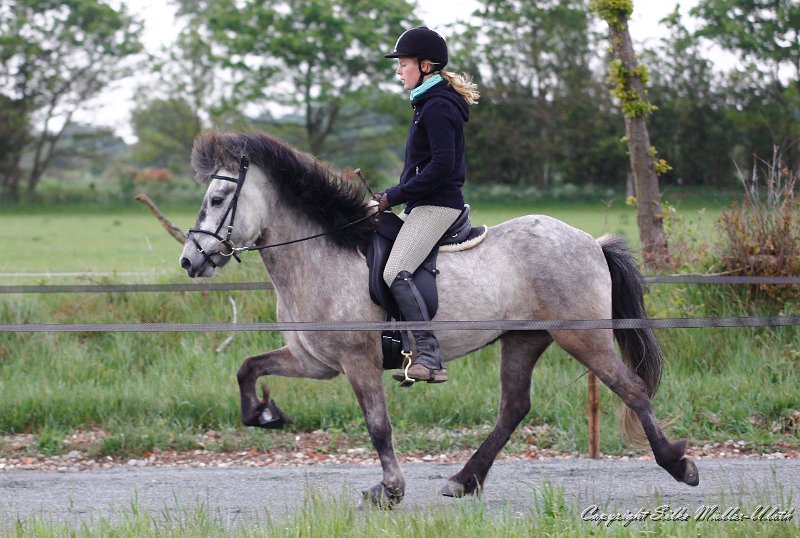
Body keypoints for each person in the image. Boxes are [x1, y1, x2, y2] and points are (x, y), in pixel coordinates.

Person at [375, 26, 479, 385]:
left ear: (425, 66)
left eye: (402, 64)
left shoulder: (436, 107)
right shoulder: (427, 102)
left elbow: (441, 167)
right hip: (422, 203)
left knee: (395, 271)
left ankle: (430, 355)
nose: (398, 71)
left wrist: (393, 195)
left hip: (437, 205)